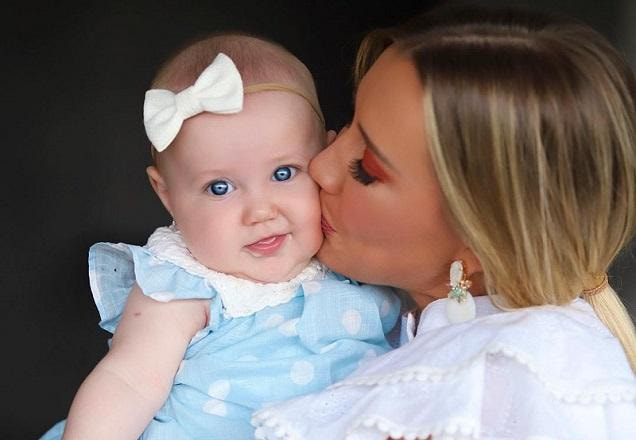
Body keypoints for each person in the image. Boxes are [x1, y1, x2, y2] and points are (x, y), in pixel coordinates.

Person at [252, 7, 636, 440]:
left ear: (480, 241)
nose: (320, 166)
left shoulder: (516, 378)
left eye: (367, 169)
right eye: (348, 124)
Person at [39, 34, 400, 440]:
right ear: (167, 195)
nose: (261, 211)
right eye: (220, 188)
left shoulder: (349, 250)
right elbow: (128, 382)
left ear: (324, 157)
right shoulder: (185, 283)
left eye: (283, 174)